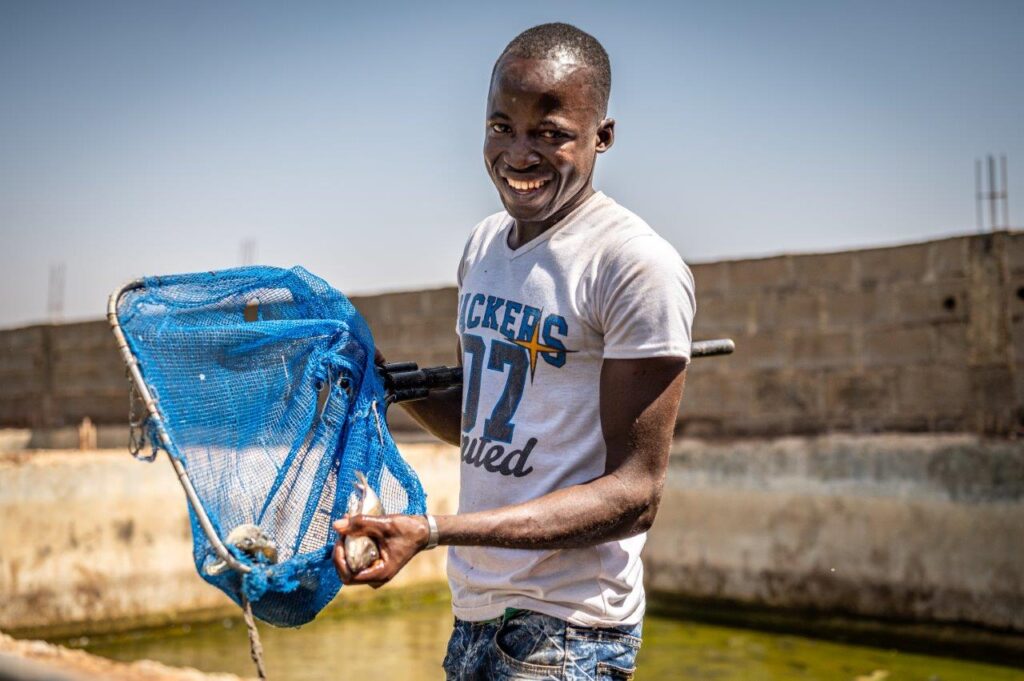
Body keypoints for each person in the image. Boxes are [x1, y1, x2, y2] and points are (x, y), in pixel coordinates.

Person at [333, 22, 696, 680]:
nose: (519, 153)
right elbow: (483, 419)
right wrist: (383, 389)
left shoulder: (632, 264)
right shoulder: (482, 247)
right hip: (475, 611)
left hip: (566, 629)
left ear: (602, 137)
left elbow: (635, 492)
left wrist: (435, 528)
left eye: (550, 133)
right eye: (502, 126)